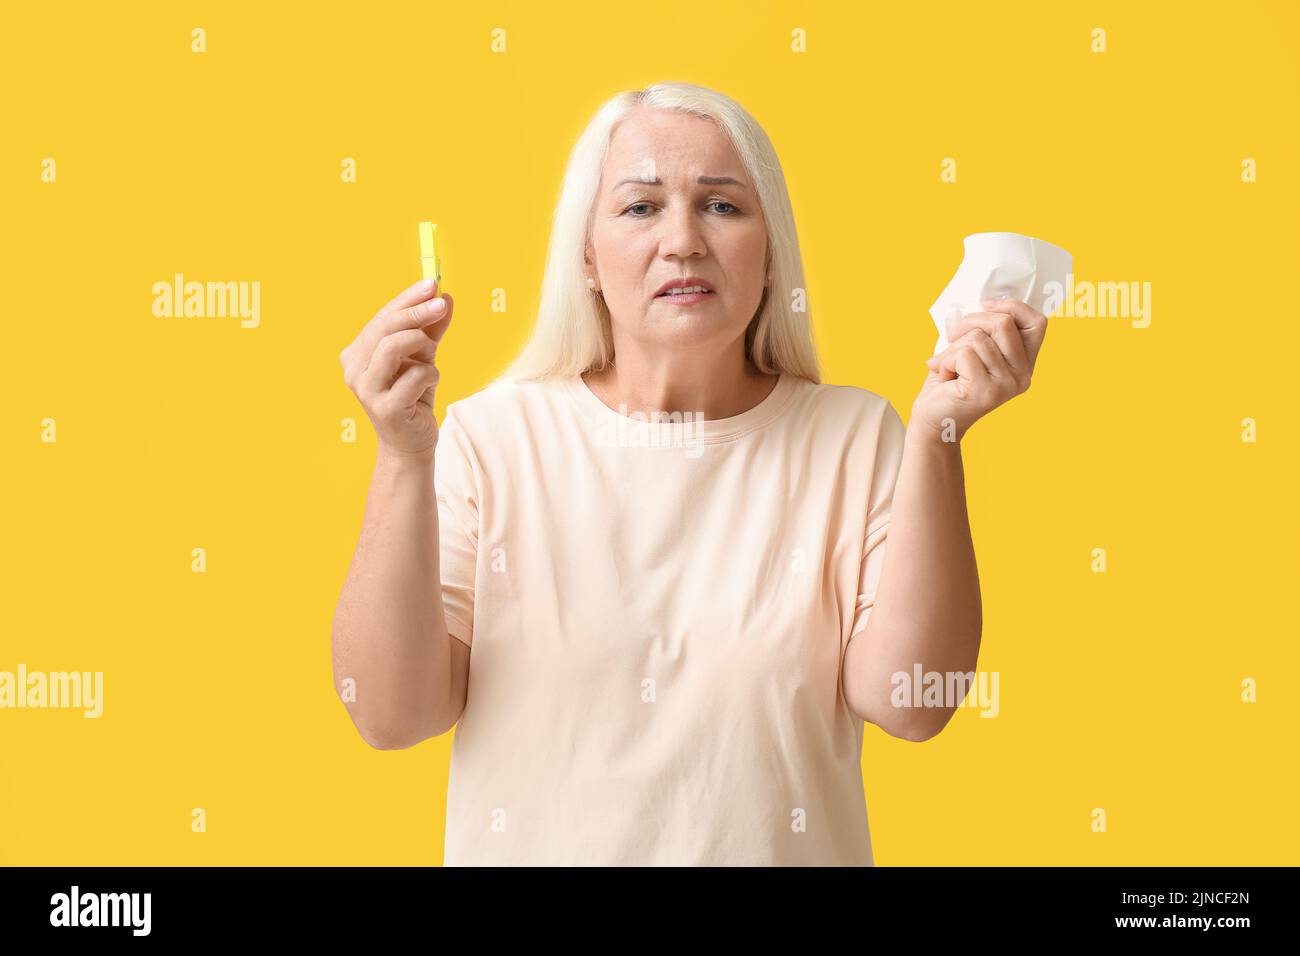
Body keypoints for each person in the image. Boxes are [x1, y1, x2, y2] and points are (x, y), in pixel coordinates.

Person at [331, 81, 1048, 866]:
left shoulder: (855, 437)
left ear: (772, 255)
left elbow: (911, 702)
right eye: (641, 207)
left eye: (722, 206)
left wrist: (939, 435)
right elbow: (391, 715)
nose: (682, 241)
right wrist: (403, 456)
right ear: (587, 258)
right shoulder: (490, 440)